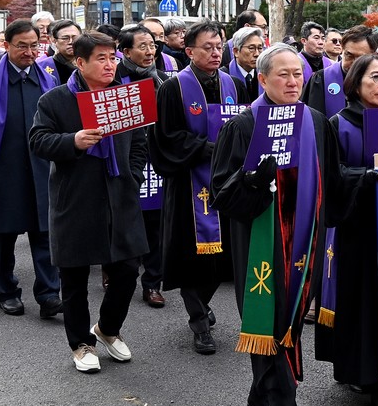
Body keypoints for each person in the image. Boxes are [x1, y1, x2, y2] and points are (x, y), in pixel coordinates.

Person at [212, 43, 345, 406]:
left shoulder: (317, 123)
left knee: (289, 322)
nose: (292, 81)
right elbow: (222, 193)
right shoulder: (245, 125)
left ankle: (261, 398)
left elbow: (336, 183)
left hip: (305, 239)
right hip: (260, 244)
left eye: (298, 73)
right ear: (263, 78)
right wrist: (252, 181)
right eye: (283, 74)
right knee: (268, 322)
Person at [30, 32, 148, 374]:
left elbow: (139, 142)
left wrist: (133, 175)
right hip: (76, 197)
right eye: (101, 58)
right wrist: (74, 141)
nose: (110, 64)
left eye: (112, 58)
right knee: (75, 275)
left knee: (127, 269)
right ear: (79, 63)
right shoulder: (56, 100)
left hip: (120, 195)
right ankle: (81, 343)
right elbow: (38, 140)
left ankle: (108, 328)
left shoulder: (124, 96)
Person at [317, 54, 378, 406]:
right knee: (363, 302)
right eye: (375, 78)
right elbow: (331, 176)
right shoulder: (338, 124)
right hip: (356, 227)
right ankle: (374, 383)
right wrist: (368, 175)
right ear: (354, 83)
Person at [0, 19, 63, 318]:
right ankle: (7, 291)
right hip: (2, 170)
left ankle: (48, 294)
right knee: (4, 236)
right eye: (22, 46)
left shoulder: (47, 77)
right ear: (6, 45)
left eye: (34, 46)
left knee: (45, 233)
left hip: (42, 169)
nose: (29, 52)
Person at [155, 21, 243, 353]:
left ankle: (201, 304)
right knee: (192, 255)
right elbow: (167, 137)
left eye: (219, 46)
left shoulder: (233, 84)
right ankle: (198, 321)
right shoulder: (173, 88)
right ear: (189, 51)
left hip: (225, 183)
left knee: (221, 259)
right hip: (188, 183)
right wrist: (208, 149)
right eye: (207, 47)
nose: (215, 52)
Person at [115, 25, 171, 307]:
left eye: (153, 45)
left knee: (155, 224)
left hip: (155, 161)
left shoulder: (162, 80)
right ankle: (115, 272)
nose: (150, 51)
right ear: (125, 52)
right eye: (143, 46)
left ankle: (152, 283)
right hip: (122, 161)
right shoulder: (112, 80)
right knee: (123, 219)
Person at [305, 25, 378, 120]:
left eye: (361, 58)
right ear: (342, 49)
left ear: (372, 54)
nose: (354, 64)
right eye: (349, 55)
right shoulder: (322, 79)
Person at [225, 26, 265, 104]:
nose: (257, 54)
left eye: (260, 48)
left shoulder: (265, 76)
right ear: (236, 51)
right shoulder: (223, 76)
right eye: (251, 48)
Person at [36, 19, 81, 84]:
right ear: (54, 40)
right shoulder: (41, 67)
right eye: (65, 38)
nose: (71, 42)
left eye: (75, 38)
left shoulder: (87, 64)